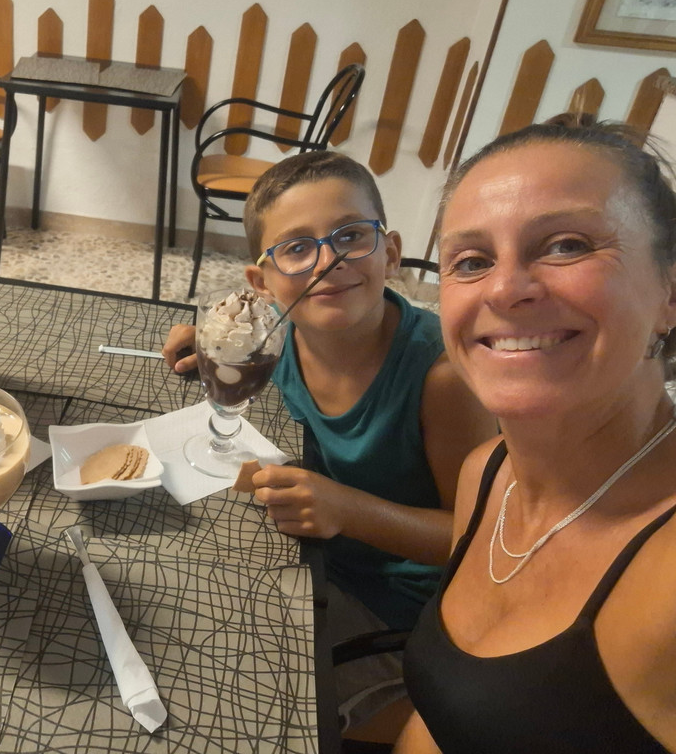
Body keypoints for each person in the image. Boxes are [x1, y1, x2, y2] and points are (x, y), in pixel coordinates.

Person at [162, 151, 495, 738]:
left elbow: (476, 541)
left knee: (236, 707)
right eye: (296, 247)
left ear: (390, 252)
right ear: (262, 283)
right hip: (312, 559)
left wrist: (346, 509)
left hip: (400, 611)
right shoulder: (279, 335)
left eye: (350, 235)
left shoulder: (442, 380)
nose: (328, 260)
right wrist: (215, 341)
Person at [396, 121, 676, 753]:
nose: (505, 289)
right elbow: (444, 714)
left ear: (674, 292)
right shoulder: (486, 472)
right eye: (472, 261)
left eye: (566, 245)